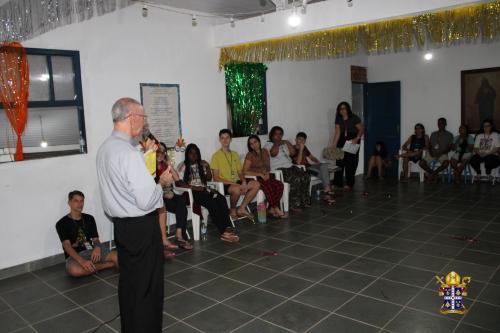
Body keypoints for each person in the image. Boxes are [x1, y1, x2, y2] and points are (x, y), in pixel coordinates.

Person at [96, 97, 174, 333]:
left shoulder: (106, 148)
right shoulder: (128, 154)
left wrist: (143, 158)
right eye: (143, 117)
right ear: (132, 118)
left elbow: (125, 186)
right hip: (141, 228)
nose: (145, 122)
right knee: (147, 288)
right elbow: (146, 200)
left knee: (130, 284)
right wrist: (162, 183)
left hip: (123, 228)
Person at [178, 143, 239, 242]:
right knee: (211, 203)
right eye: (191, 153)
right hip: (192, 192)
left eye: (196, 153)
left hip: (204, 189)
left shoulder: (201, 164)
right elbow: (179, 183)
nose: (194, 155)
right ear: (187, 155)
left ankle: (227, 227)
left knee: (221, 198)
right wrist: (195, 188)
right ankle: (223, 232)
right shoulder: (183, 166)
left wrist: (207, 166)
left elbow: (208, 178)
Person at [55, 191, 118, 277]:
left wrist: (98, 247)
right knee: (75, 270)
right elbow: (67, 246)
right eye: (76, 201)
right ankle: (108, 265)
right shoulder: (61, 223)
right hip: (75, 256)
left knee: (118, 257)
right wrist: (82, 261)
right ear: (69, 203)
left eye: (82, 201)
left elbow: (95, 239)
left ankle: (94, 266)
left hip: (92, 251)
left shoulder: (89, 218)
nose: (80, 204)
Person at [210, 129, 260, 220]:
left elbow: (240, 172)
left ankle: (241, 208)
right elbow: (216, 178)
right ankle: (233, 210)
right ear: (220, 140)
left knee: (256, 184)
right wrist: (234, 183)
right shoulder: (216, 156)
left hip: (237, 181)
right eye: (222, 138)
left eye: (227, 138)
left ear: (231, 139)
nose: (225, 140)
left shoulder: (235, 154)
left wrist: (244, 181)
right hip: (224, 184)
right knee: (237, 189)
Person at [155, 143, 193, 252]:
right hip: (157, 198)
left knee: (181, 201)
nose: (161, 154)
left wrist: (169, 165)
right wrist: (163, 194)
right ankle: (167, 239)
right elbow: (150, 189)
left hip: (168, 195)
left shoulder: (165, 165)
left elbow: (177, 180)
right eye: (159, 151)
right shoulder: (149, 166)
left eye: (163, 152)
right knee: (167, 203)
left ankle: (179, 235)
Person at [265, 126, 311, 212]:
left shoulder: (284, 144)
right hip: (279, 170)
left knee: (306, 176)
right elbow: (273, 154)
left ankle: (304, 201)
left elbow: (293, 153)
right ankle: (294, 204)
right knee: (296, 178)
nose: (278, 136)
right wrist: (276, 143)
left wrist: (286, 142)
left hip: (290, 167)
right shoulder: (268, 145)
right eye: (276, 134)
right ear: (272, 135)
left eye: (280, 134)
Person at [243, 135, 286, 218]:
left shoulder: (265, 151)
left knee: (279, 184)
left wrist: (266, 174)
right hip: (255, 178)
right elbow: (244, 171)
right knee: (268, 187)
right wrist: (259, 174)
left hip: (265, 176)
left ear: (259, 142)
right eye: (251, 144)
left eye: (255, 142)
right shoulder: (250, 155)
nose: (254, 145)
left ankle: (271, 208)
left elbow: (268, 167)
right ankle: (275, 207)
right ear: (250, 146)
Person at [293, 132, 335, 205]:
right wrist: (301, 149)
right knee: (323, 173)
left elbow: (311, 157)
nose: (301, 142)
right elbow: (298, 163)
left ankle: (327, 188)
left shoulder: (305, 147)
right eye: (299, 139)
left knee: (324, 166)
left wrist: (318, 162)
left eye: (303, 140)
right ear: (295, 140)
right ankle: (327, 189)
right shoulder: (292, 149)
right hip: (303, 168)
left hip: (309, 166)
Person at [331, 101, 364, 190]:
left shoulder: (354, 117)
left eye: (344, 108)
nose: (342, 110)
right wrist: (334, 145)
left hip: (353, 139)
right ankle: (338, 183)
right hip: (342, 139)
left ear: (348, 109)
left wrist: (356, 138)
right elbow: (337, 132)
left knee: (351, 162)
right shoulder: (338, 118)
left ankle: (349, 183)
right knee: (340, 162)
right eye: (340, 109)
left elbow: (361, 129)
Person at [419, 118, 454, 183]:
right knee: (421, 163)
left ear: (445, 124)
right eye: (438, 123)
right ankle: (434, 174)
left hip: (442, 154)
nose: (440, 125)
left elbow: (449, 148)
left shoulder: (449, 135)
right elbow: (429, 145)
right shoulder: (433, 134)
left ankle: (432, 175)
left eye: (442, 123)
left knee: (446, 163)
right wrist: (431, 152)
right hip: (432, 153)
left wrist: (441, 153)